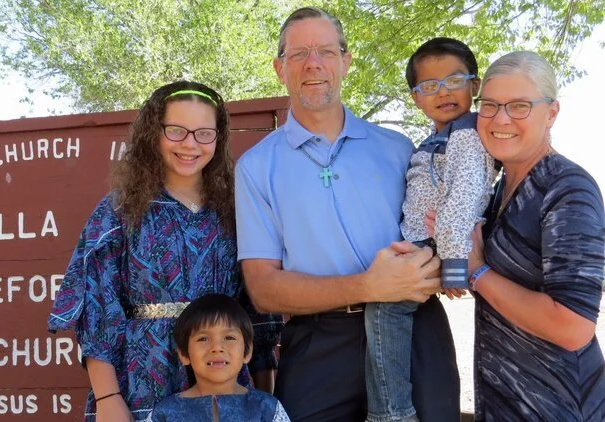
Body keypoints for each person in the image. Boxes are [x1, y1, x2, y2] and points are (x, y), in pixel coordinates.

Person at [235, 6, 460, 421]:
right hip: (318, 342)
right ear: (278, 68)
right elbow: (264, 289)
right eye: (299, 54)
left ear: (346, 61)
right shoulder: (255, 167)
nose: (313, 64)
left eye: (325, 51)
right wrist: (368, 285)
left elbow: (438, 232)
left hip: (413, 328)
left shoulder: (398, 149)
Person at [48, 80, 282, 422]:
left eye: (204, 133)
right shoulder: (120, 210)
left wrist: (265, 392)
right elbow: (98, 307)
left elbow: (258, 312)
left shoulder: (238, 209)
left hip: (226, 378)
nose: (190, 144)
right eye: (177, 130)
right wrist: (108, 397)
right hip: (142, 378)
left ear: (218, 138)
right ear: (153, 133)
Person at [364, 37, 497, 422]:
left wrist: (455, 265)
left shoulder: (467, 136)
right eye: (430, 86)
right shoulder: (439, 138)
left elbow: (463, 201)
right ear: (415, 98)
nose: (444, 92)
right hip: (427, 241)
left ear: (474, 85)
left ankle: (392, 413)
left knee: (385, 308)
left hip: (435, 244)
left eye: (455, 80)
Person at [467, 51, 605, 420]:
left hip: (556, 404)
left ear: (552, 113)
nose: (500, 119)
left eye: (519, 106)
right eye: (490, 105)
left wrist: (478, 272)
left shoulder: (567, 188)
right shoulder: (496, 188)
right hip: (505, 400)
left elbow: (573, 326)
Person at [146, 294, 290, 422]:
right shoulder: (165, 413)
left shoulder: (266, 408)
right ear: (184, 354)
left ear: (247, 352)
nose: (217, 347)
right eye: (203, 339)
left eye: (229, 337)